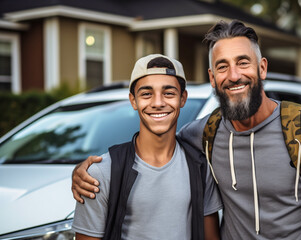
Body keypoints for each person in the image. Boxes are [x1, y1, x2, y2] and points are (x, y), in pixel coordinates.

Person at [72, 20, 301, 240]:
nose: (234, 75)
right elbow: (156, 144)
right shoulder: (202, 136)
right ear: (213, 78)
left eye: (243, 62)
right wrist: (90, 168)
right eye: (222, 66)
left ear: (262, 68)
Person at [71, 54, 222, 240]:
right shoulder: (100, 174)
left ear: (182, 98)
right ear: (133, 100)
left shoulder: (200, 166)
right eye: (146, 94)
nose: (158, 103)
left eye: (168, 93)